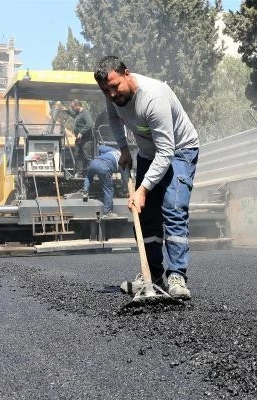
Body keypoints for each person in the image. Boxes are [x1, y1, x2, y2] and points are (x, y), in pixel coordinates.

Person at [94, 56, 200, 300]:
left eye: (114, 86)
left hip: (179, 151)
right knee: (144, 215)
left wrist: (142, 190)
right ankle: (151, 273)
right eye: (105, 90)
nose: (111, 94)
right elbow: (113, 117)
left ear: (127, 74)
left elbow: (166, 152)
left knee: (173, 208)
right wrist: (122, 149)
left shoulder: (154, 98)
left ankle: (177, 276)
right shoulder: (113, 97)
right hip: (147, 153)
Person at [82, 144, 129, 218]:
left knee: (89, 176)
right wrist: (126, 188)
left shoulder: (113, 150)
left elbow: (99, 148)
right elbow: (125, 178)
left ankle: (85, 191)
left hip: (94, 162)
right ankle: (107, 212)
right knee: (109, 189)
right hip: (104, 167)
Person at [60, 99, 94, 175]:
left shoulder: (85, 113)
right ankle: (79, 172)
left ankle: (92, 173)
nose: (72, 108)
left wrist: (81, 132)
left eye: (73, 107)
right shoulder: (78, 114)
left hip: (86, 140)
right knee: (78, 155)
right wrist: (67, 110)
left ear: (78, 106)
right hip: (79, 140)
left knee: (87, 156)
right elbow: (74, 115)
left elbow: (90, 124)